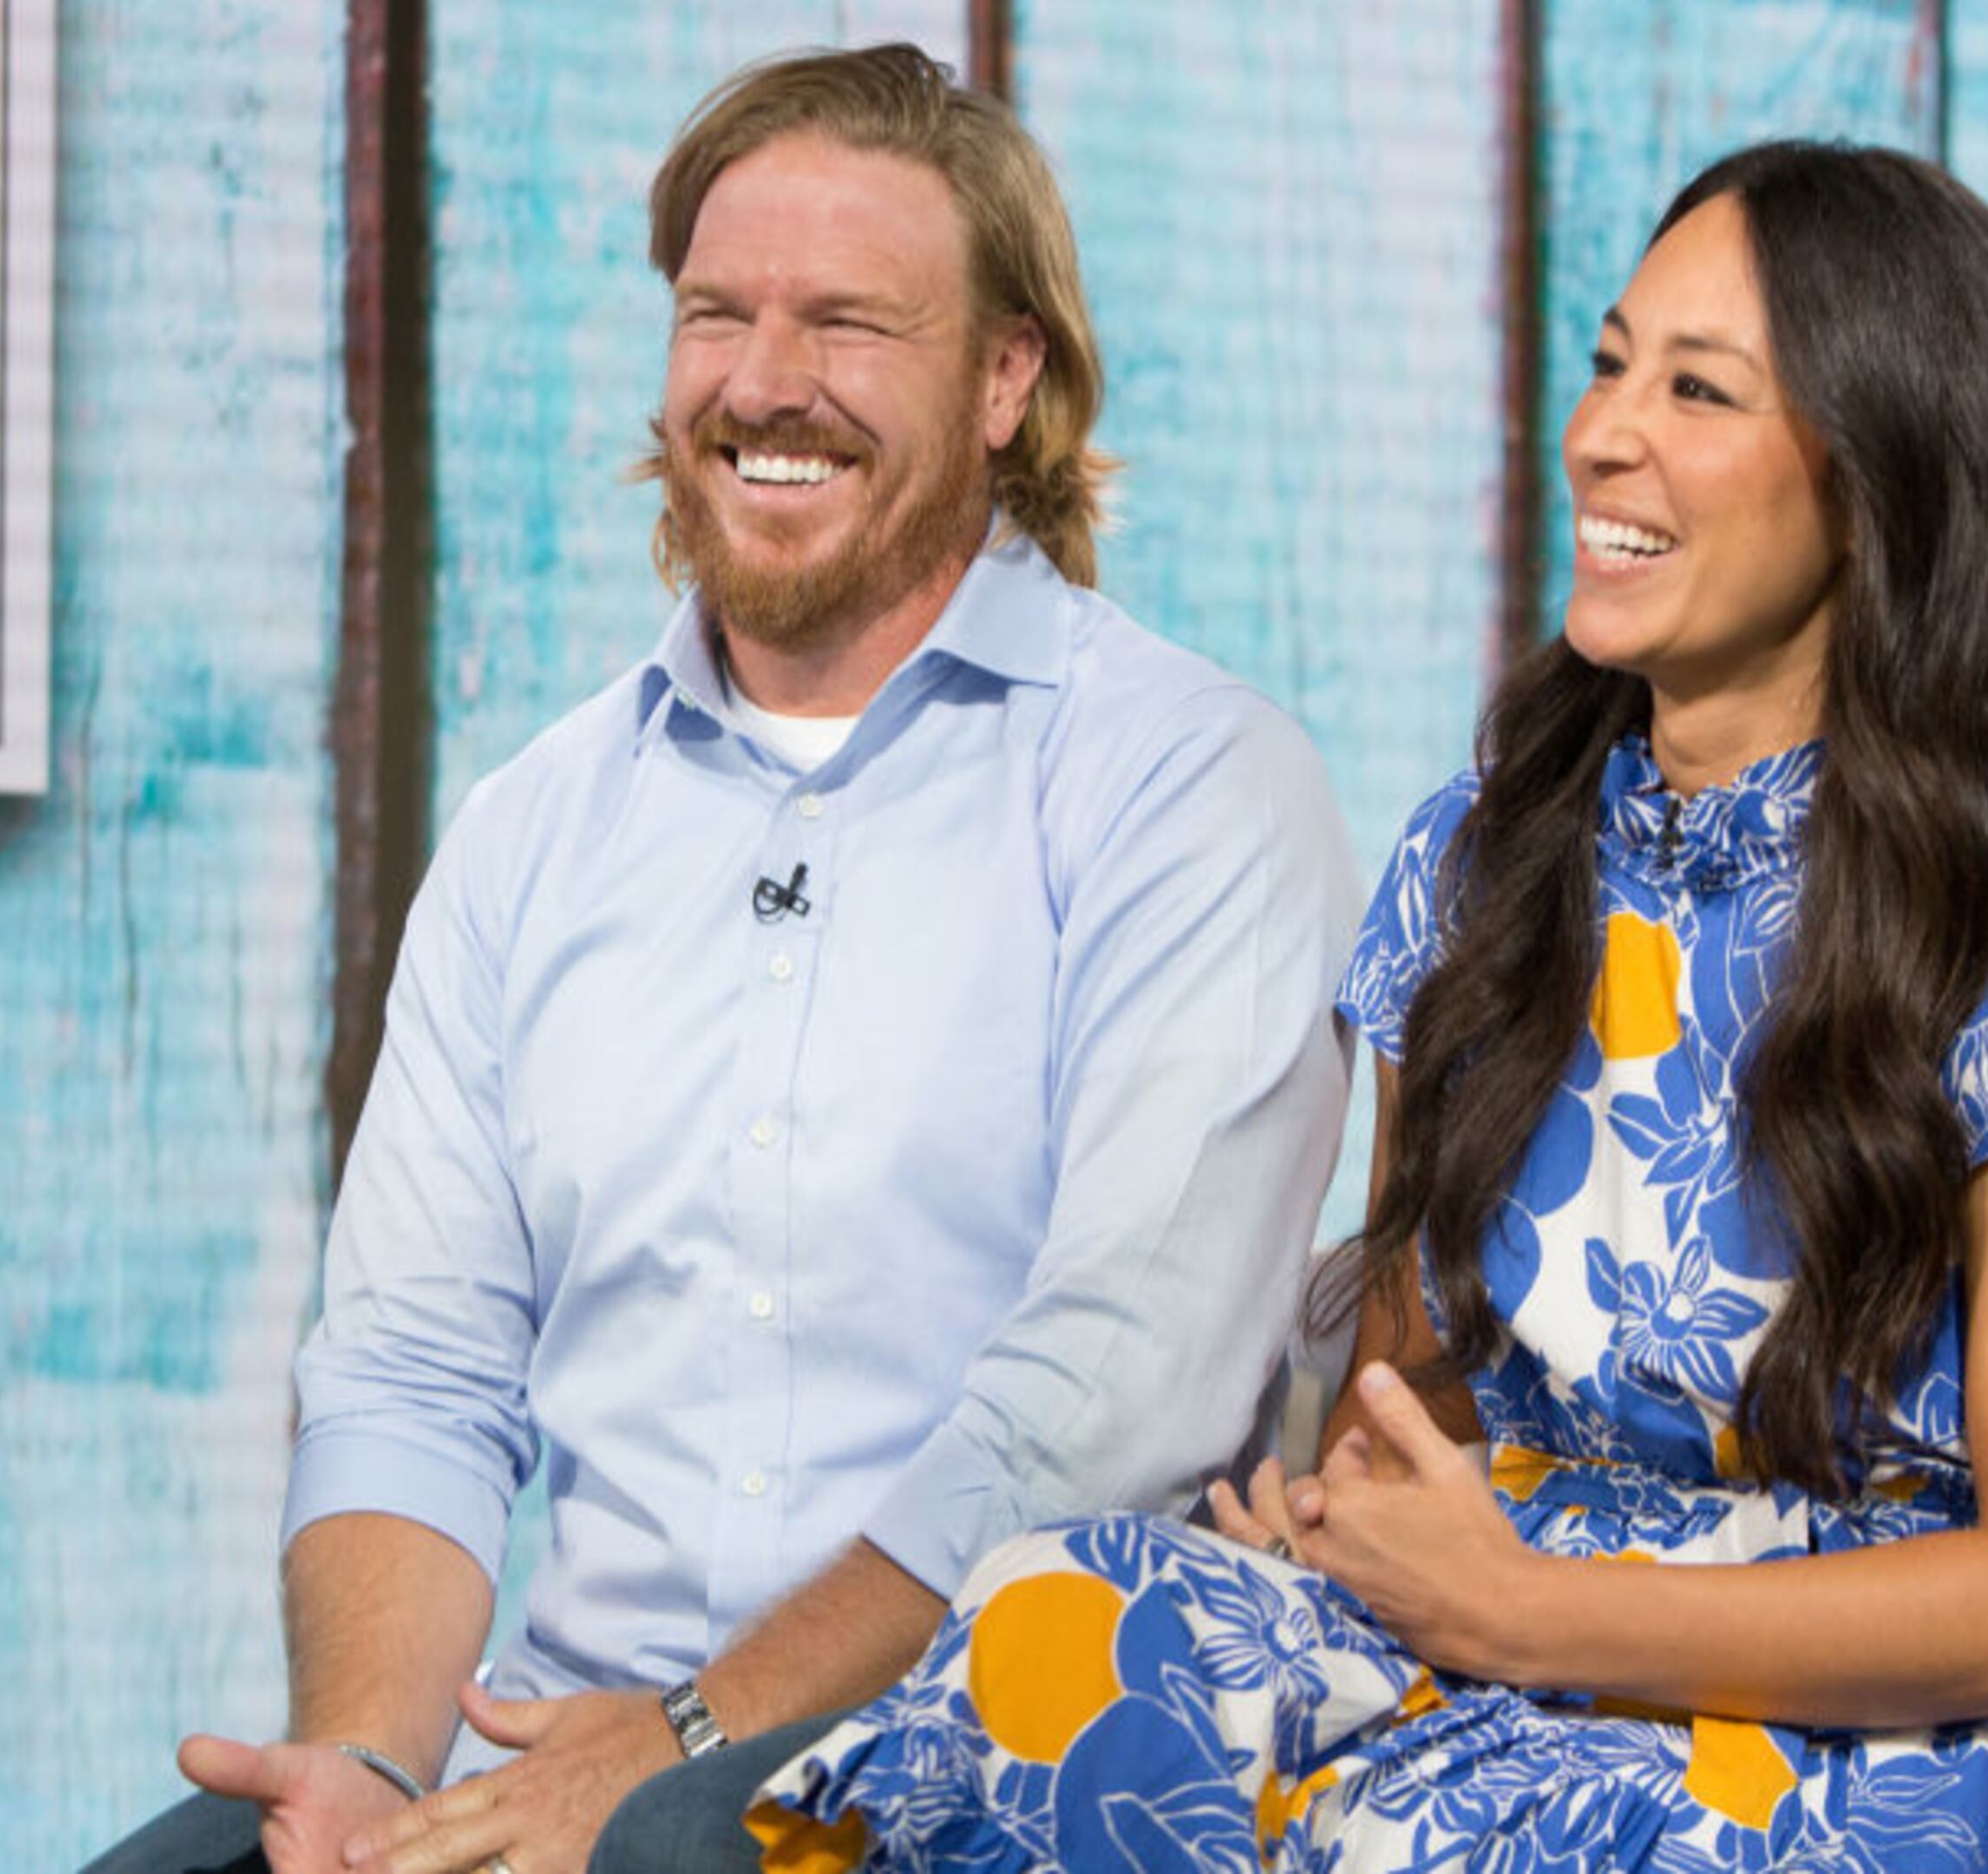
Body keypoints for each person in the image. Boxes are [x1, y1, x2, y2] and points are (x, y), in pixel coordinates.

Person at [744, 140, 1988, 1870]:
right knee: (1053, 1624)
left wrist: (1525, 1611)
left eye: (1698, 389)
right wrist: (1362, 1515)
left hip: (1849, 1727)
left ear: (1879, 479)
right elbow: (1412, 1401)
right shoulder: (1488, 846)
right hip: (1480, 1628)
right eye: (1607, 367)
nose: (1602, 433)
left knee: (1403, 1839)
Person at [98, 43, 1361, 1874]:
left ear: (1007, 378)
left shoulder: (1189, 785)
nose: (766, 382)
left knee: (677, 1850)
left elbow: (1100, 1412)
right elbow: (413, 1370)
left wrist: (686, 1737)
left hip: (996, 1749)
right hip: (571, 1744)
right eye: (717, 314)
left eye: (849, 322)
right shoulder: (538, 827)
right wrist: (375, 1764)